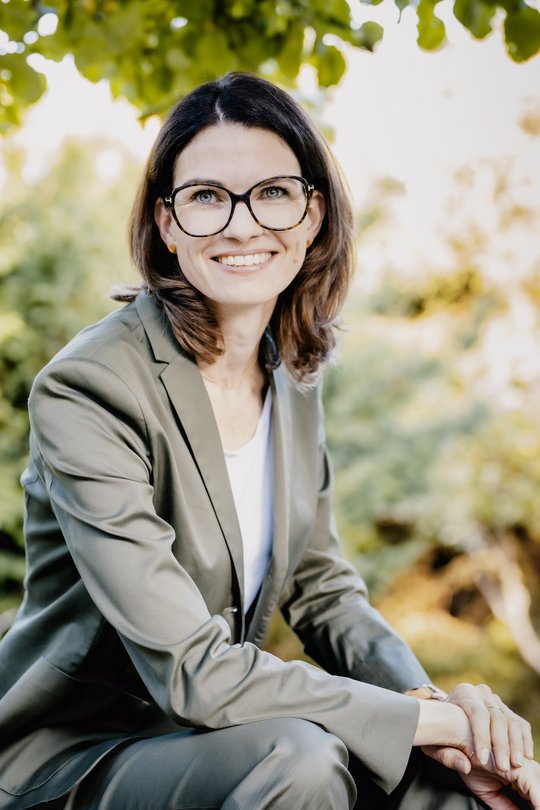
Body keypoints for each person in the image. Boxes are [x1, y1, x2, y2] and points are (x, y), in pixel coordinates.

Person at [0, 72, 538, 810]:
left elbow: (324, 591)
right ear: (166, 223)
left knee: (460, 788)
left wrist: (434, 714)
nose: (242, 224)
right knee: (301, 758)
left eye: (274, 193)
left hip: (227, 733)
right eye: (207, 197)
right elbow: (192, 669)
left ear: (314, 214)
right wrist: (437, 719)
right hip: (78, 753)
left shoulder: (290, 378)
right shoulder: (91, 388)